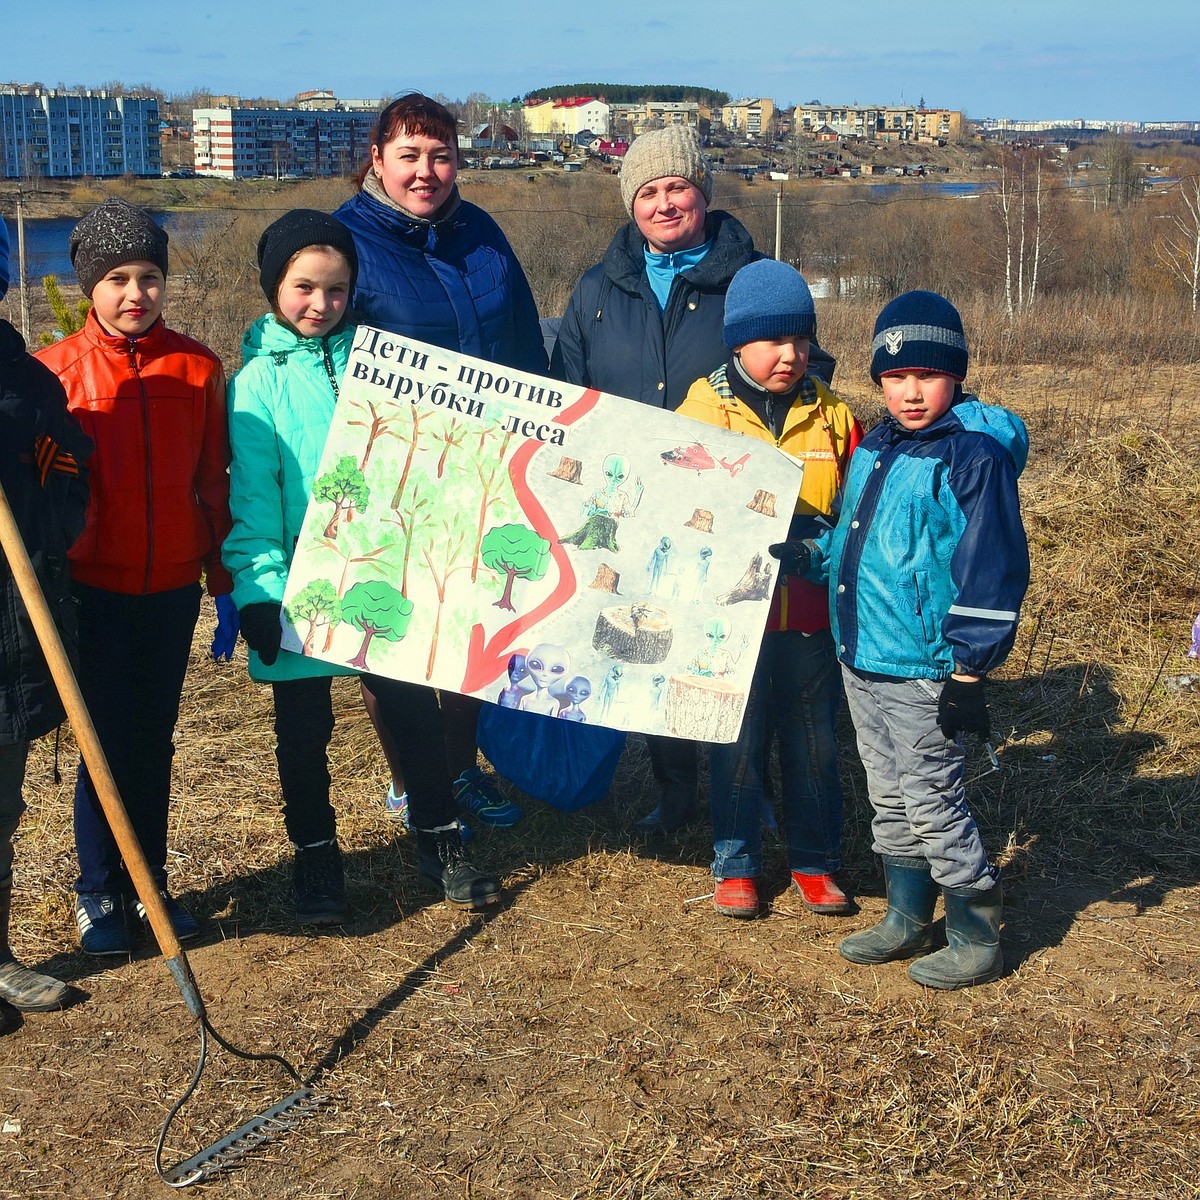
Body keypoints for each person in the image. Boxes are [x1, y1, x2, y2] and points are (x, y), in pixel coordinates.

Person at [552, 124, 837, 836]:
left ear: (702, 192)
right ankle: (676, 790)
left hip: (735, 510)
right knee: (652, 642)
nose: (664, 203)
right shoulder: (597, 287)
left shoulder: (752, 279)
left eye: (677, 186)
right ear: (630, 204)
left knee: (737, 654)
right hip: (638, 501)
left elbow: (808, 372)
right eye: (647, 191)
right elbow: (569, 391)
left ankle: (755, 797)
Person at [224, 210, 499, 920]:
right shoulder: (256, 384)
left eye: (338, 290)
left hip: (384, 572)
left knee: (412, 710)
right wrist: (258, 593)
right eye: (304, 288)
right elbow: (254, 502)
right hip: (299, 588)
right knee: (303, 732)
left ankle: (439, 837)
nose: (321, 304)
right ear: (273, 287)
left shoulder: (386, 366)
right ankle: (316, 858)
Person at [808, 290, 1029, 989]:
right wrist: (811, 554)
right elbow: (857, 540)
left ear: (956, 376)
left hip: (927, 665)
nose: (910, 392)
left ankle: (975, 921)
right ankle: (907, 912)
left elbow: (991, 569)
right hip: (863, 653)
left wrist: (970, 672)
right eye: (896, 377)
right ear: (878, 379)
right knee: (889, 790)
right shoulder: (875, 446)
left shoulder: (973, 460)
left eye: (927, 376)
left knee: (932, 795)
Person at [334, 91, 542, 829]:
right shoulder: (345, 241)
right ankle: (410, 780)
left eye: (441, 156)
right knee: (392, 632)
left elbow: (521, 339)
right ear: (378, 159)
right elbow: (319, 347)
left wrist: (541, 438)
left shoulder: (478, 231)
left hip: (485, 467)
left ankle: (459, 769)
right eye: (410, 156)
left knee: (469, 626)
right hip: (393, 474)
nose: (427, 172)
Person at [36, 198, 238, 956]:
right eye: (117, 278)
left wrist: (220, 582)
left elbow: (213, 482)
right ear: (89, 283)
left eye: (149, 277)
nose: (134, 294)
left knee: (154, 740)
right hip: (91, 589)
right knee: (102, 741)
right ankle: (98, 893)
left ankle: (148, 883)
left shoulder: (197, 367)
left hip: (169, 587)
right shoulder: (54, 375)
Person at [676, 260, 861, 919]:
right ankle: (735, 863)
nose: (792, 355)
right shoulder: (701, 409)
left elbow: (857, 512)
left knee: (813, 746)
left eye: (802, 341)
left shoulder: (834, 416)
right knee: (737, 744)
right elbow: (675, 504)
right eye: (775, 341)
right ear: (737, 344)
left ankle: (815, 863)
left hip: (809, 620)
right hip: (732, 622)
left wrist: (823, 546)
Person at [0, 217, 92, 1024]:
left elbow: (68, 487)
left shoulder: (29, 384)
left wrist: (52, 523)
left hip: (13, 624)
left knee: (3, 802)